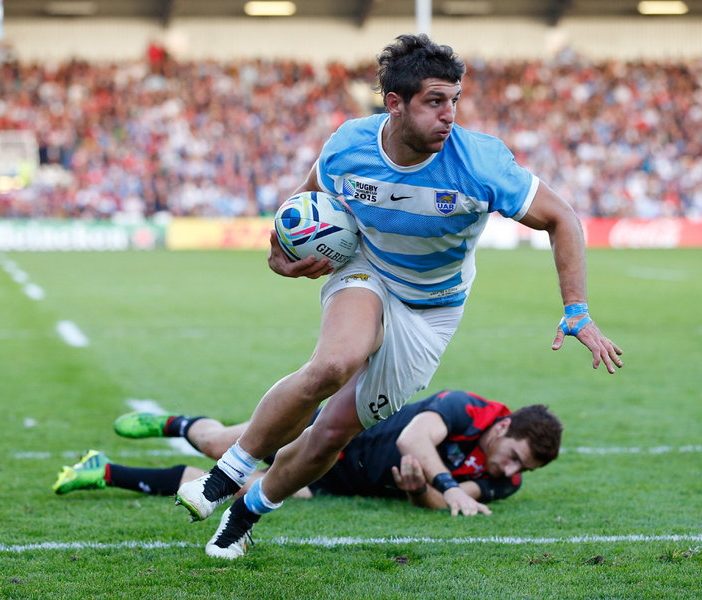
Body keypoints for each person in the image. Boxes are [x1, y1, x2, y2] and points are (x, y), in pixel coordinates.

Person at [175, 33, 623, 560]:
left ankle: (245, 513)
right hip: (368, 271)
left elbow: (561, 218)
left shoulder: (480, 163)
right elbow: (301, 205)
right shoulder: (347, 146)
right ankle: (226, 474)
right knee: (333, 364)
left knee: (331, 434)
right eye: (435, 101)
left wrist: (577, 310)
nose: (450, 114)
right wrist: (281, 251)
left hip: (432, 311)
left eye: (455, 99)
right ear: (394, 103)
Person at [53, 390, 562, 514]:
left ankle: (105, 471)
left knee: (241, 490)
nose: (512, 471)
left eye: (524, 470)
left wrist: (418, 492)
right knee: (218, 445)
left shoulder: (508, 481)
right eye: (515, 455)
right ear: (506, 426)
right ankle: (174, 423)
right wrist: (445, 483)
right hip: (333, 430)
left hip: (336, 477)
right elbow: (414, 439)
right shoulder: (468, 408)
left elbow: (447, 502)